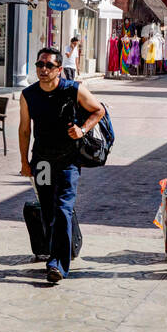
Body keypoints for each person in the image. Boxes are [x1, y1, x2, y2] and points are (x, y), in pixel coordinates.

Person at [19, 47, 107, 285]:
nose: (43, 70)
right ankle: (60, 250)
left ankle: (57, 263)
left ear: (59, 69)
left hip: (68, 160)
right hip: (43, 162)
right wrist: (24, 162)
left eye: (48, 66)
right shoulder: (29, 95)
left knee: (63, 208)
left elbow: (98, 110)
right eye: (40, 65)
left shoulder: (73, 89)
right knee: (48, 210)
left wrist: (83, 129)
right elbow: (25, 129)